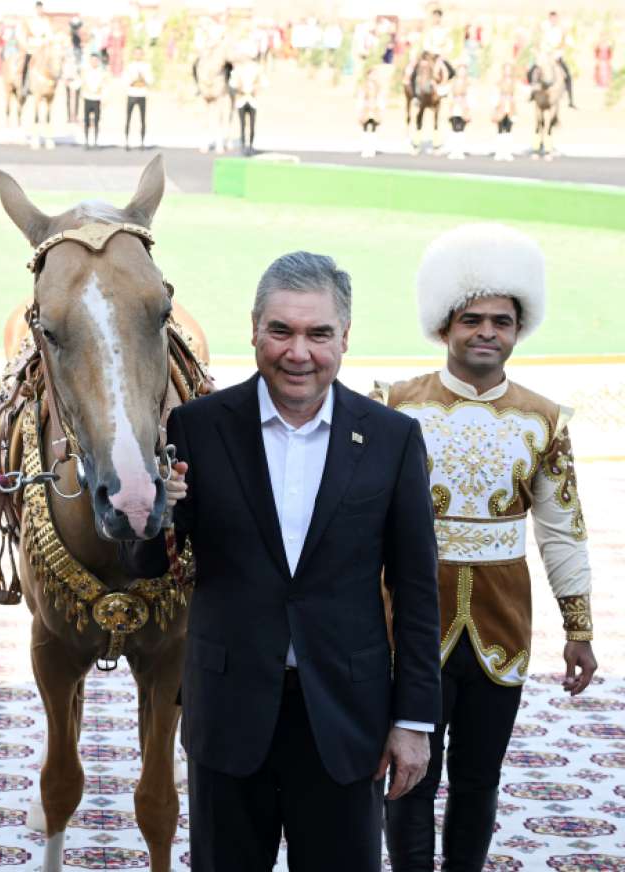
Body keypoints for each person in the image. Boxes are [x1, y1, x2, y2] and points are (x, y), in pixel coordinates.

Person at [121, 251, 441, 872]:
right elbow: (148, 564)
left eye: (318, 333)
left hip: (345, 720)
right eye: (281, 331)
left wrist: (413, 721)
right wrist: (153, 511)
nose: (299, 353)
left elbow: (416, 591)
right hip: (229, 715)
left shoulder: (391, 438)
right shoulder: (197, 427)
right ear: (254, 331)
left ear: (344, 337)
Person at [379, 224, 598, 872]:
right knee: (409, 772)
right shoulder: (395, 407)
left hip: (503, 626)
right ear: (444, 325)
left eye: (501, 321)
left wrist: (579, 629)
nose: (486, 332)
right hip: (406, 623)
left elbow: (562, 527)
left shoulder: (544, 419)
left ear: (518, 329)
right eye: (471, 319)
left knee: (480, 777)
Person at [531, 10, 575, 108]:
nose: (553, 20)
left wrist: (557, 48)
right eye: (551, 18)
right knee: (532, 71)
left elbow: (565, 42)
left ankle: (570, 100)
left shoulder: (561, 29)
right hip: (544, 55)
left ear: (557, 18)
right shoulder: (545, 26)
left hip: (556, 56)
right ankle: (533, 93)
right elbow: (537, 31)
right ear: (549, 18)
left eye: (555, 18)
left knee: (567, 75)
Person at [229, 43, 266, 155]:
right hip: (241, 99)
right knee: (242, 124)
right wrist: (240, 89)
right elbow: (233, 83)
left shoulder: (257, 68)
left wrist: (255, 89)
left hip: (252, 99)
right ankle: (243, 145)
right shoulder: (238, 68)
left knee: (252, 124)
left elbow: (263, 83)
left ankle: (251, 145)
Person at [123, 46, 153, 150]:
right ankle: (127, 141)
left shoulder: (146, 66)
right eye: (136, 53)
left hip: (142, 94)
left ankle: (142, 142)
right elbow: (125, 80)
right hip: (132, 93)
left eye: (140, 53)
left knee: (142, 119)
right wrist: (133, 79)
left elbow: (150, 80)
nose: (138, 55)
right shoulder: (129, 66)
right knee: (128, 118)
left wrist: (143, 77)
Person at [20, 0, 50, 96]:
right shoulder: (30, 21)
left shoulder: (45, 21)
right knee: (26, 65)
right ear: (35, 9)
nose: (39, 10)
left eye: (41, 8)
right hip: (31, 48)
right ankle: (24, 87)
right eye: (38, 8)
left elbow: (48, 35)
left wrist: (44, 43)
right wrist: (26, 44)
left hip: (42, 49)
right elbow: (25, 34)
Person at [492, 62, 518, 160]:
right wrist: (496, 104)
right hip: (501, 105)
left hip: (510, 105)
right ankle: (499, 151)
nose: (508, 72)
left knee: (508, 128)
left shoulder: (513, 82)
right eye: (506, 69)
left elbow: (516, 94)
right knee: (500, 128)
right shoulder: (500, 82)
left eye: (509, 70)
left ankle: (507, 151)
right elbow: (495, 92)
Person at [81, 49, 105, 149]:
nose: (94, 62)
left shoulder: (101, 72)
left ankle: (95, 141)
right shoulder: (86, 72)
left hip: (97, 98)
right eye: (92, 60)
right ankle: (86, 141)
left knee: (96, 120)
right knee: (86, 120)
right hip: (88, 97)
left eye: (95, 60)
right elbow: (83, 83)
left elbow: (103, 85)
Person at [357, 66, 383, 158]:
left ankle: (372, 149)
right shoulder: (364, 86)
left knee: (373, 129)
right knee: (365, 128)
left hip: (374, 109)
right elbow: (361, 97)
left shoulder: (378, 86)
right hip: (366, 109)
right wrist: (360, 108)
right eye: (372, 74)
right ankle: (365, 149)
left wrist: (380, 107)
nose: (373, 76)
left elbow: (380, 97)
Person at [445, 71, 471, 159]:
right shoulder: (453, 83)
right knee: (454, 128)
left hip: (463, 107)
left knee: (461, 129)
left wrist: (467, 106)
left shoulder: (467, 83)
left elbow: (469, 95)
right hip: (455, 107)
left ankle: (460, 150)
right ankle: (454, 150)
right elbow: (449, 94)